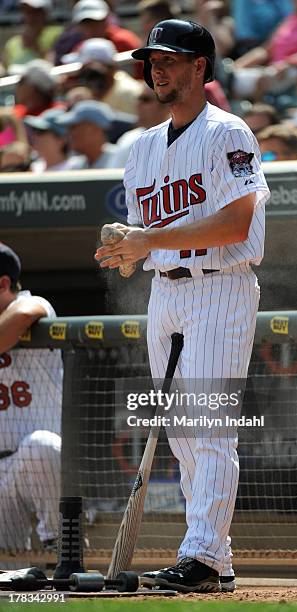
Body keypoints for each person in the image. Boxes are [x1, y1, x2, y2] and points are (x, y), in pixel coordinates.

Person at [95, 19, 270, 593]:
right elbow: (149, 233)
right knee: (181, 433)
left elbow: (237, 221)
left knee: (207, 426)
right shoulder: (141, 147)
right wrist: (127, 252)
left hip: (220, 285)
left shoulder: (229, 132)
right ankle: (212, 560)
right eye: (151, 61)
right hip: (165, 291)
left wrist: (147, 240)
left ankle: (198, 554)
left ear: (200, 67)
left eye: (169, 59)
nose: (156, 69)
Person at [0, 244, 62, 552]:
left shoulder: (34, 304)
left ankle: (61, 541)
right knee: (8, 584)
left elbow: (26, 313)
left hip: (30, 466)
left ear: (3, 284)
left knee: (42, 446)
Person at [60, 37, 143, 116]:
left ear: (111, 69)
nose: (87, 80)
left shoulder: (131, 94)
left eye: (92, 74)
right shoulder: (86, 95)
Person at [110, 82, 170, 168]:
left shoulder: (179, 138)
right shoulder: (128, 138)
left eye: (146, 99)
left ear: (167, 105)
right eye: (138, 98)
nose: (138, 104)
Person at [56, 99, 118, 168]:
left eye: (74, 127)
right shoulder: (76, 165)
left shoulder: (120, 159)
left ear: (94, 130)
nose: (69, 133)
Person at [2, 0, 63, 70]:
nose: (31, 16)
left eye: (36, 11)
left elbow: (56, 64)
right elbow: (3, 67)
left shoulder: (58, 34)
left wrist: (35, 47)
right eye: (26, 11)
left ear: (46, 12)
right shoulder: (12, 42)